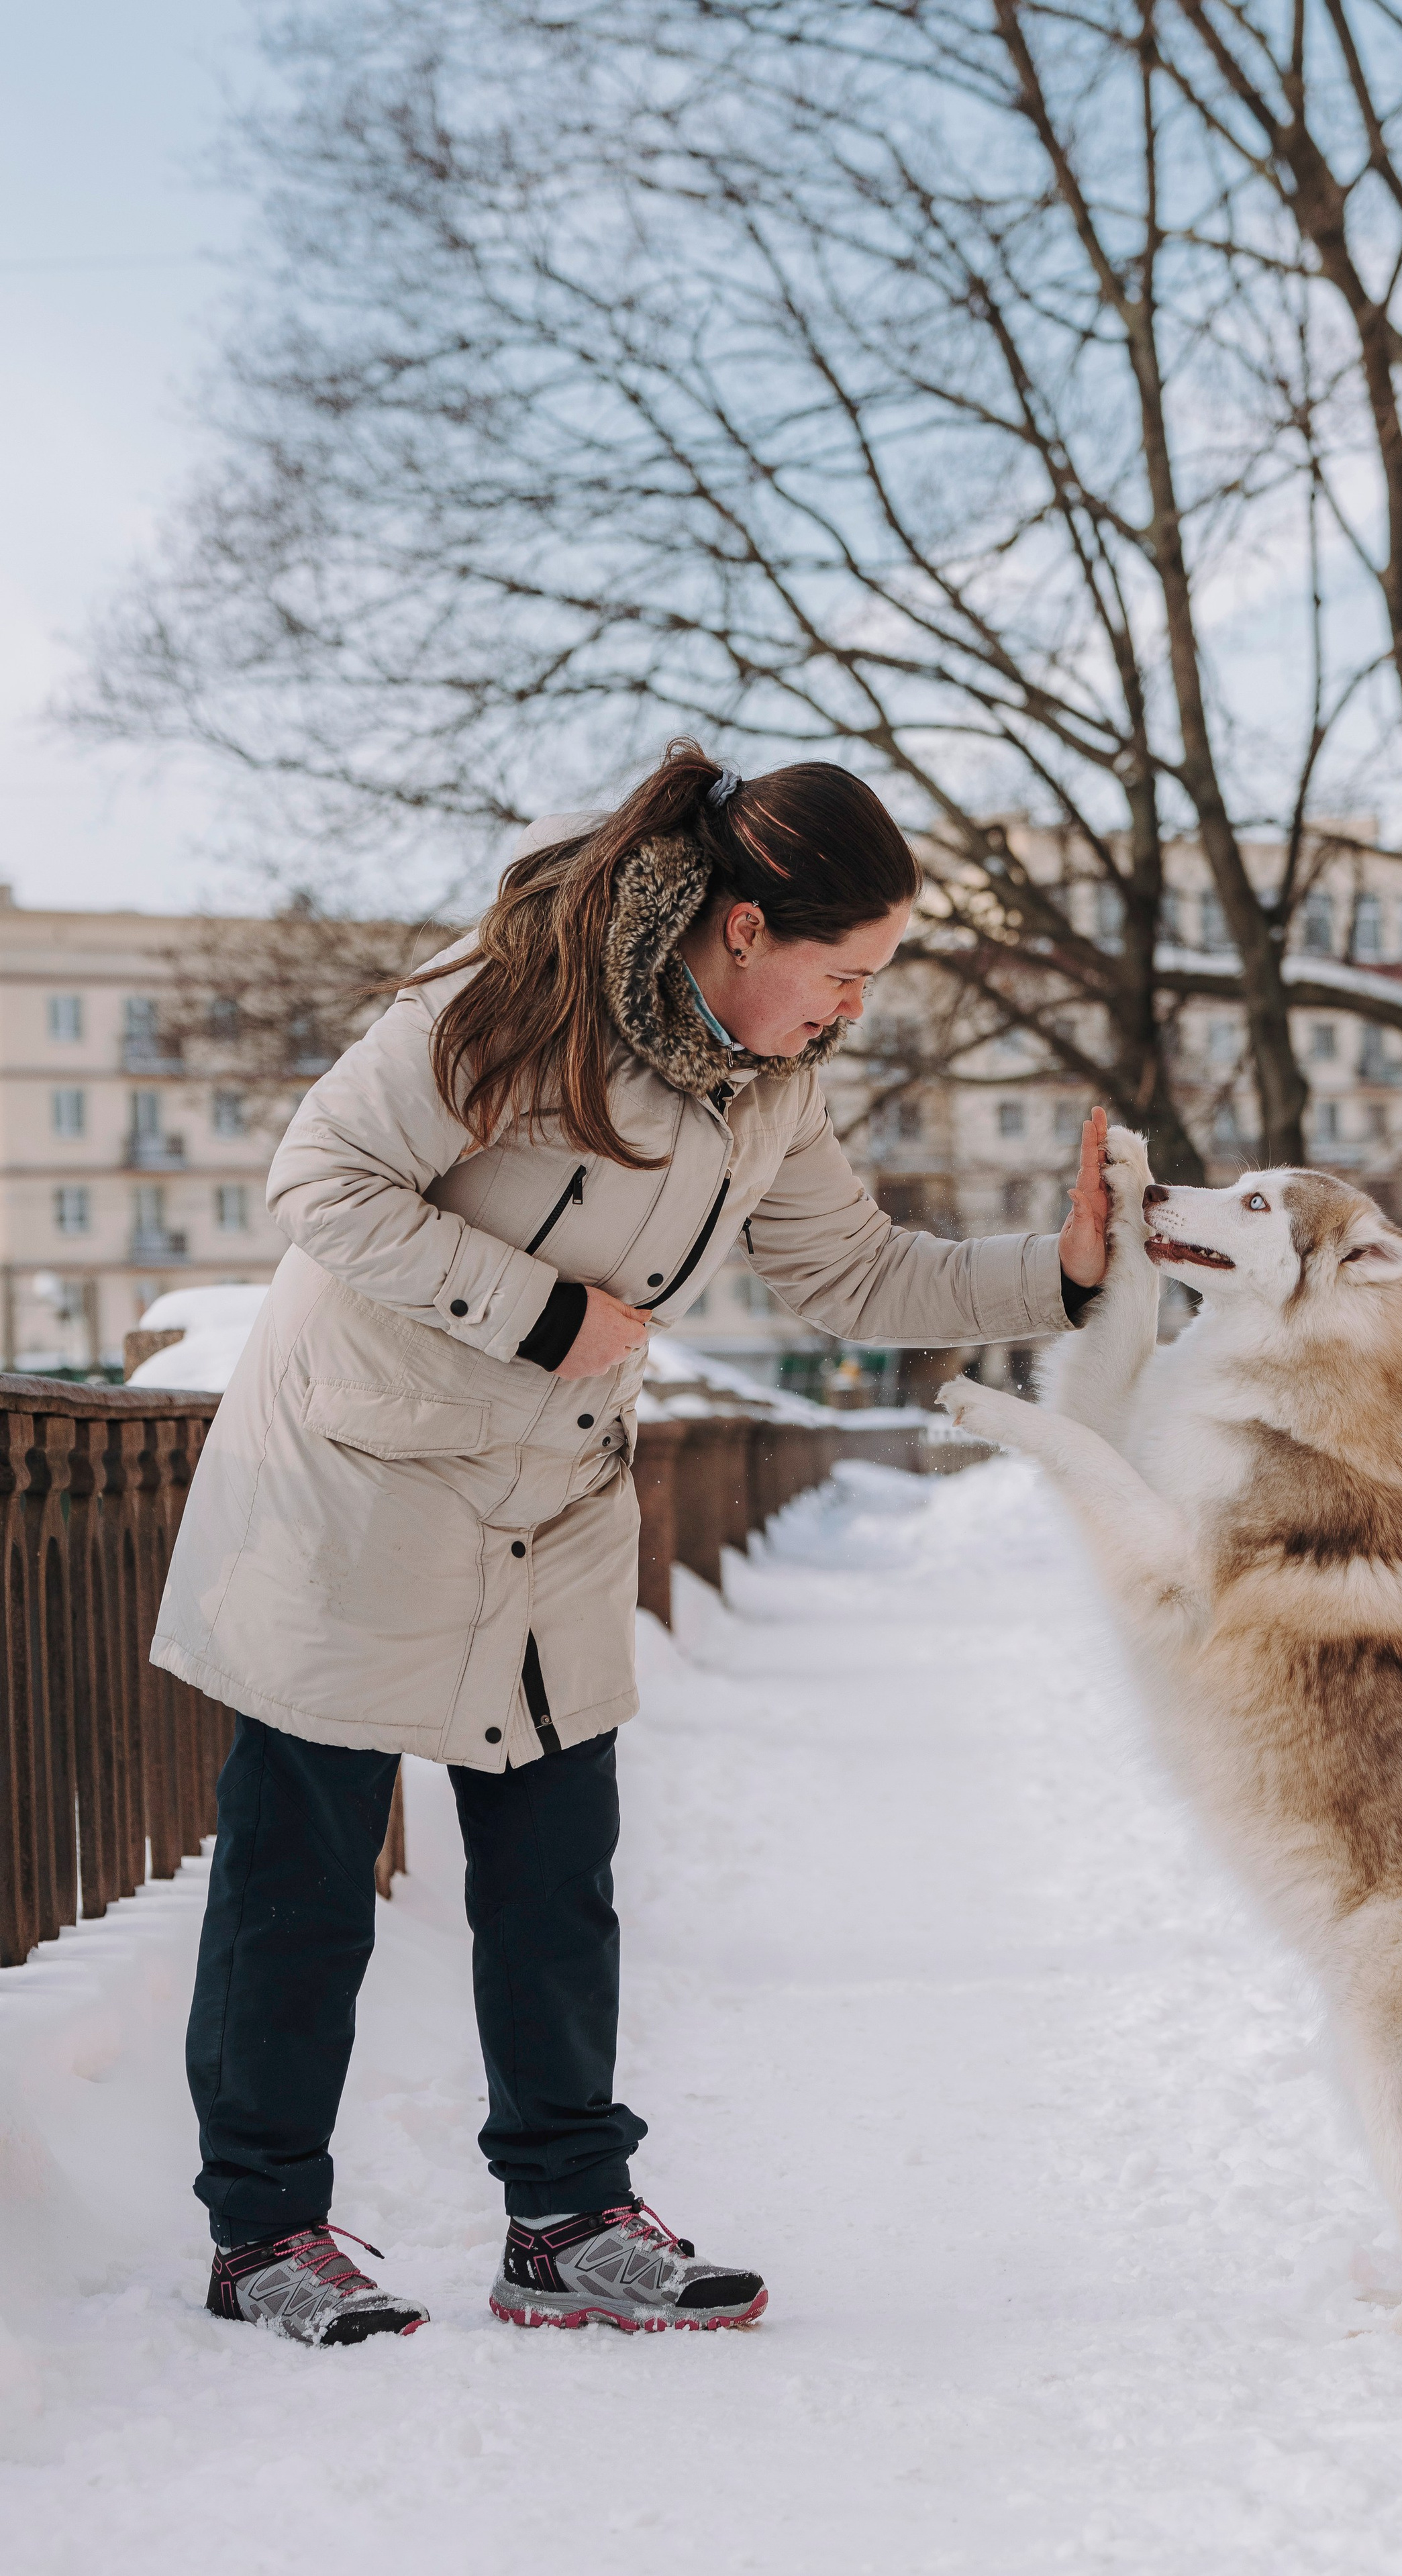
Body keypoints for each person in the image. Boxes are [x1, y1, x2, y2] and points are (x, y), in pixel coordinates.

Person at [155, 744, 1111, 2346]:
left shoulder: (769, 1085)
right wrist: (539, 1313)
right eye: (839, 970)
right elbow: (319, 1177)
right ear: (743, 925)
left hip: (548, 1504)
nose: (849, 1008)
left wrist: (1059, 1272)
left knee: (554, 1873)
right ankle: (261, 2232)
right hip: (353, 1482)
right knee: (299, 1874)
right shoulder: (513, 995)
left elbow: (856, 1277)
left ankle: (567, 2215)